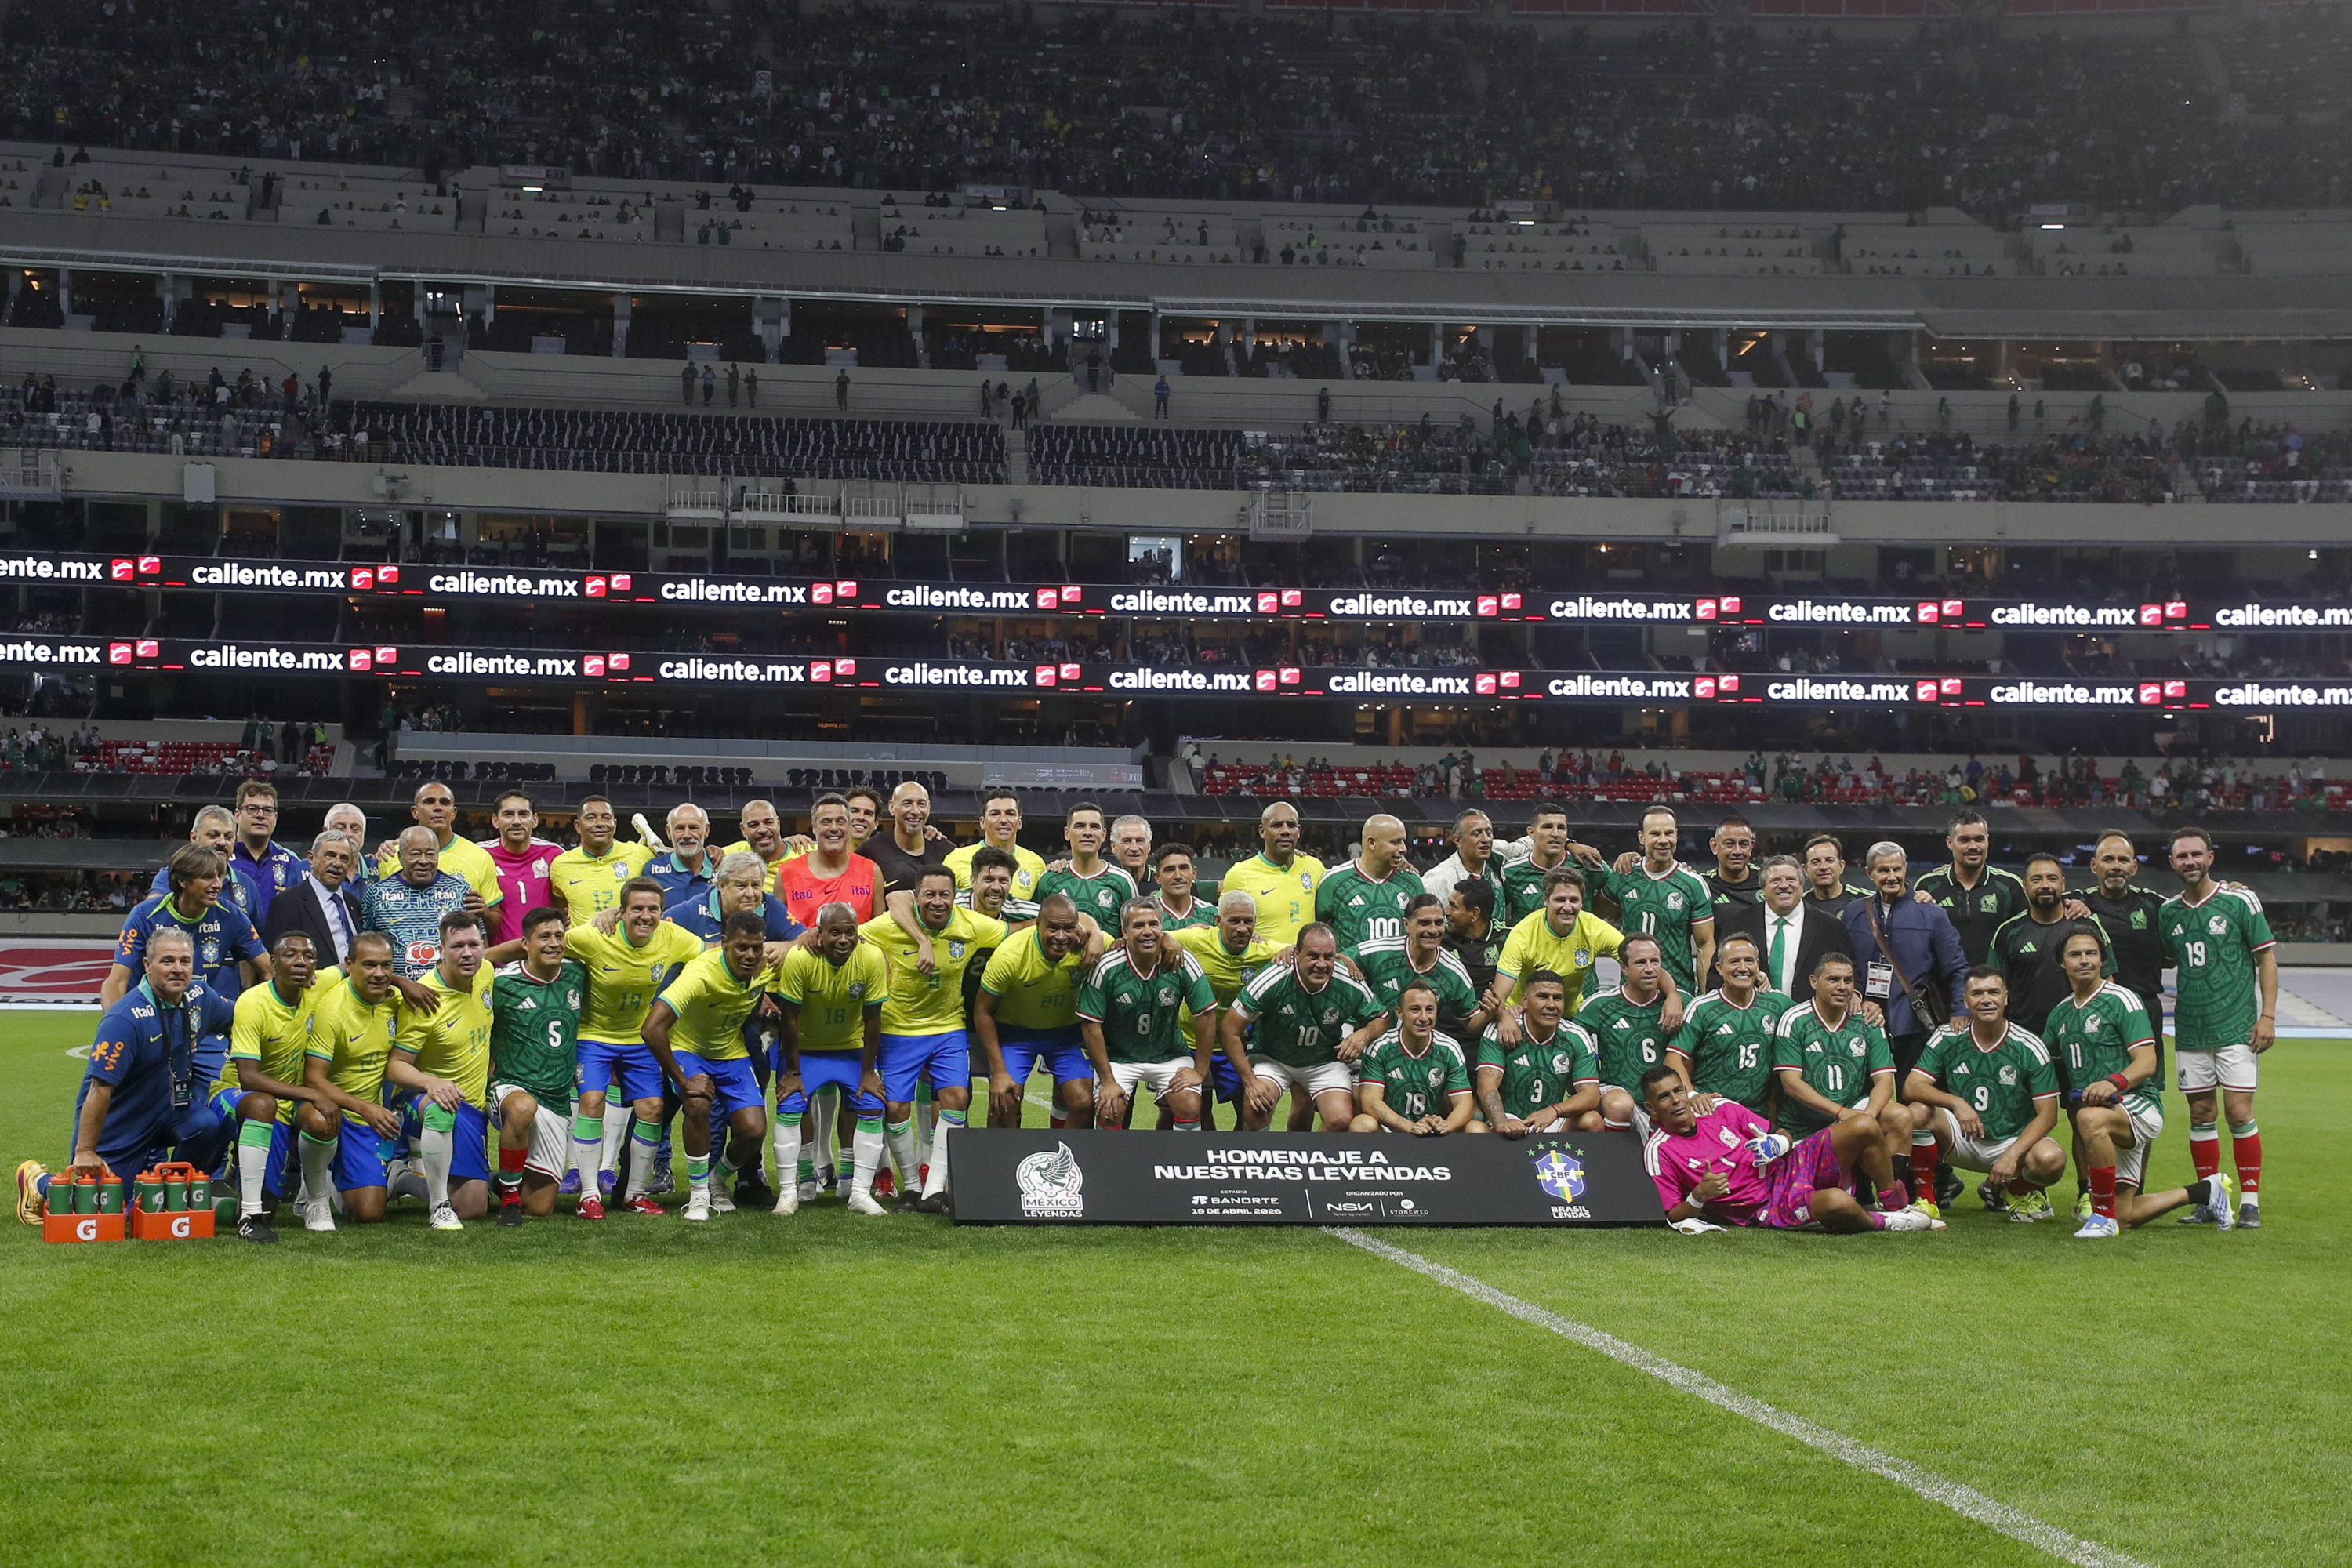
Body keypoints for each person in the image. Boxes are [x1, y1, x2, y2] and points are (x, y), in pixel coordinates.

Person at [18, 929, 239, 1230]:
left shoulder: (201, 999)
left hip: (171, 1110)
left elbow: (241, 1018)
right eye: (167, 961)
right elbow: (99, 1090)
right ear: (147, 966)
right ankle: (38, 1181)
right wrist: (85, 1151)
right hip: (122, 1120)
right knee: (99, 1211)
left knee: (207, 1126)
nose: (178, 969)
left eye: (185, 961)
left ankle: (166, 1194)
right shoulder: (125, 1018)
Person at [2043, 927, 2227, 1237]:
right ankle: (2206, 1191)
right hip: (2107, 1115)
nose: (2084, 960)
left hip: (2137, 1104)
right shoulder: (2060, 1013)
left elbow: (2147, 1061)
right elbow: (2040, 1057)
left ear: (2103, 960)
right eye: (2075, 954)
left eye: (2091, 953)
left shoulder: (2122, 1000)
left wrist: (2113, 1082)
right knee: (2127, 1214)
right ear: (2063, 963)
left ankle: (2101, 1217)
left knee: (2086, 1118)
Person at [550, 877, 703, 1215]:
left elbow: (710, 955)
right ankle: (588, 1195)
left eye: (653, 909)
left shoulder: (673, 937)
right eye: (637, 908)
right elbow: (547, 944)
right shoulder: (594, 937)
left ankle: (634, 1194)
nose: (645, 916)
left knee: (652, 1108)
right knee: (592, 1100)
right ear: (622, 912)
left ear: (664, 913)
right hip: (593, 1036)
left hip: (639, 1038)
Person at [858, 867, 1007, 1210]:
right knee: (895, 1108)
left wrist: (1089, 930)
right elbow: (848, 935)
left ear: (955, 897)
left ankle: (934, 1189)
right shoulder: (888, 925)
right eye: (929, 895)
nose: (937, 902)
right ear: (916, 897)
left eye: (944, 895)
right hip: (898, 1030)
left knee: (957, 1098)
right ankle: (911, 1185)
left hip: (947, 1029)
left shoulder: (970, 924)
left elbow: (1017, 930)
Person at [1642, 1067, 1938, 1233]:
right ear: (1651, 1108)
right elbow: (1674, 1214)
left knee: (1863, 1125)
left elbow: (1778, 1132)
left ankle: (1897, 1206)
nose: (1676, 1101)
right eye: (1664, 1097)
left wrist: (1779, 1143)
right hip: (1766, 1205)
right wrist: (1700, 1194)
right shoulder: (1659, 1149)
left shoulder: (1720, 1108)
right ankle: (1887, 1224)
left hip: (1789, 1165)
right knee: (1837, 1203)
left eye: (1678, 1091)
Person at [2159, 826, 2276, 1229]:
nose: (2189, 861)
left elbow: (2266, 960)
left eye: (2196, 854)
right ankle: (2211, 1199)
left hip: (2238, 1027)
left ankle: (2250, 1202)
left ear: (2211, 857)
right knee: (2201, 1112)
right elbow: (2165, 958)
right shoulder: (2168, 912)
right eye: (2181, 856)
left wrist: (2268, 1016)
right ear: (2171, 862)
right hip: (2191, 1030)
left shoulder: (2240, 900)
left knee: (2239, 1111)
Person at [639, 912, 775, 1222]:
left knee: (754, 1130)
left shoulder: (766, 968)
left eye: (756, 947)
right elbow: (651, 1029)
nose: (750, 955)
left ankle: (717, 1181)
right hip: (689, 1050)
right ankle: (699, 1194)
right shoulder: (700, 973)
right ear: (724, 944)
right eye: (742, 947)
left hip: (732, 1052)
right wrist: (683, 1080)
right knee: (698, 1104)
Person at [1901, 968, 2065, 1221]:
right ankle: (1926, 1200)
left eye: (1993, 992)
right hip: (1962, 1138)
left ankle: (2014, 1189)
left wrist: (2011, 1155)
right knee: (1916, 1112)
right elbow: (1911, 1087)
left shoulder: (2029, 1046)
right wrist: (1956, 1102)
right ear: (1966, 1001)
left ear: (2006, 998)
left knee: (2051, 1160)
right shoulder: (1948, 1036)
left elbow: (2048, 1115)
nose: (1986, 999)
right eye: (1977, 993)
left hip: (2011, 1142)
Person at [208, 929, 335, 1240]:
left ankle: (312, 1199)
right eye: (290, 955)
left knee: (324, 1119)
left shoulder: (320, 987)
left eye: (308, 956)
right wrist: (311, 1092)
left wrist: (403, 983)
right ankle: (248, 1216)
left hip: (285, 1101)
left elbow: (356, 964)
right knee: (264, 1103)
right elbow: (248, 1078)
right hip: (239, 1094)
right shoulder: (253, 1002)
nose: (300, 962)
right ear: (274, 963)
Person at [771, 902, 889, 1215]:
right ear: (819, 934)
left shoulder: (871, 957)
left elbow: (873, 1018)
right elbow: (790, 1019)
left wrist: (868, 1071)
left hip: (849, 1048)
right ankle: (790, 1191)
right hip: (806, 1050)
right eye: (834, 932)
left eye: (850, 932)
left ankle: (859, 1192)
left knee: (872, 1103)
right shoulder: (800, 959)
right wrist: (793, 1071)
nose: (843, 939)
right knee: (790, 1106)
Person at [387, 910, 498, 1230]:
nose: (467, 953)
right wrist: (430, 1082)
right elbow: (395, 1067)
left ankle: (486, 1178)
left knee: (475, 1204)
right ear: (440, 949)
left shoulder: (486, 973)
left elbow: (508, 949)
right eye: (457, 946)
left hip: (472, 1108)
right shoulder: (425, 999)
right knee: (472, 1207)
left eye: (474, 945)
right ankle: (409, 1182)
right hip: (428, 1102)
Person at [1771, 953, 1912, 1196]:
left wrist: (1866, 1118)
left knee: (1900, 1115)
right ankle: (1862, 1188)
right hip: (1805, 1128)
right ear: (1814, 981)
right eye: (1834, 979)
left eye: (1848, 981)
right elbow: (1791, 1085)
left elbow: (1885, 1081)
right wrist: (1842, 1114)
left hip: (1854, 1111)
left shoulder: (1867, 1020)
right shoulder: (1794, 1020)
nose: (1842, 987)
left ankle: (1882, 1194)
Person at [295, 931, 408, 1229]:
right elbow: (313, 1079)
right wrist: (365, 1108)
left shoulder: (397, 1001)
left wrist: (406, 984)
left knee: (369, 1214)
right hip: (331, 1106)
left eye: (387, 965)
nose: (379, 974)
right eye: (369, 965)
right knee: (320, 1120)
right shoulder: (332, 1009)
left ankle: (332, 1174)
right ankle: (315, 1196)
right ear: (349, 964)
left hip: (366, 1118)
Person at [1223, 923, 1384, 1133]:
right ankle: (1261, 1160)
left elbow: (1382, 1018)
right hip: (1274, 1059)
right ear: (1296, 954)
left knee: (1341, 1120)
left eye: (1329, 957)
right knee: (1256, 1110)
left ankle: (1308, 1161)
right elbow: (1229, 1029)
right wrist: (1250, 1081)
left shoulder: (1348, 979)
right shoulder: (1274, 977)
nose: (1321, 964)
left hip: (1323, 1061)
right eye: (1313, 956)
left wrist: (1364, 1034)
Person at [485, 906, 588, 1223]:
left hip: (556, 1100)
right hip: (510, 1087)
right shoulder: (500, 982)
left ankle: (496, 1182)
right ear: (524, 944)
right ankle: (510, 1201)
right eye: (544, 937)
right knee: (523, 1108)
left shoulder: (578, 972)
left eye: (559, 936)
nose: (554, 943)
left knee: (541, 1208)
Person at [1080, 898, 1220, 1133]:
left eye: (1154, 925)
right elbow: (1090, 1026)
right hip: (1119, 1057)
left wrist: (1200, 1071)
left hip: (1169, 1055)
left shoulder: (1182, 962)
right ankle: (1108, 1167)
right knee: (1109, 1109)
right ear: (1124, 931)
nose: (1147, 932)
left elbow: (1207, 1015)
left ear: (1162, 928)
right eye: (1138, 926)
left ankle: (1178, 1166)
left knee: (1190, 1106)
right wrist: (1107, 1080)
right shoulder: (1106, 967)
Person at [1841, 841, 1968, 1079]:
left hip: (1914, 1026)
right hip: (1863, 1023)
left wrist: (1960, 1010)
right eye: (1883, 870)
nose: (1892, 877)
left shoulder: (1932, 915)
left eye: (1897, 870)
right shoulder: (1854, 912)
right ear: (1869, 873)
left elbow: (1958, 968)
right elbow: (1848, 965)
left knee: (1915, 1103)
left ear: (1905, 869)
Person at [975, 893, 1093, 1134]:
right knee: (1004, 1099)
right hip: (1015, 1034)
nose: (1061, 937)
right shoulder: (1010, 955)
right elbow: (982, 1010)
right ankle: (1005, 1165)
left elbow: (1128, 945)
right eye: (1053, 928)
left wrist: (1166, 941)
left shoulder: (1087, 946)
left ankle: (1066, 1163)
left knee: (1084, 1103)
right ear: (1038, 924)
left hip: (1066, 1035)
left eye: (1069, 928)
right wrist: (998, 1072)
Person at [1167, 889, 1285, 1127]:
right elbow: (1152, 936)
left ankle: (1242, 1158)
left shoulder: (1263, 951)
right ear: (1218, 921)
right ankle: (1204, 1157)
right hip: (1191, 1040)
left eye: (1248, 922)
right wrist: (1168, 938)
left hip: (1233, 1046)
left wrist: (1290, 950)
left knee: (1252, 1106)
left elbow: (1306, 950)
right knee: (1196, 1106)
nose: (1242, 928)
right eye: (1234, 921)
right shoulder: (1196, 940)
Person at [103, 843, 269, 1009]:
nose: (218, 885)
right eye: (207, 878)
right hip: (147, 1014)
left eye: (220, 876)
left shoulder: (231, 916)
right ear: (182, 880)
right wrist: (115, 1027)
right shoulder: (145, 915)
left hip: (197, 1014)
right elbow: (116, 982)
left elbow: (270, 971)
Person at [1585, 806, 1715, 996]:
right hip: (1631, 993)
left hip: (1679, 993)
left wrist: (1705, 997)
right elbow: (1594, 917)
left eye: (1669, 833)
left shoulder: (1693, 884)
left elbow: (1705, 944)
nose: (1663, 840)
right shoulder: (1624, 876)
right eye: (1655, 833)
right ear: (1641, 838)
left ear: (1677, 835)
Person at [1485, 867, 1632, 1029]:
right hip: (1524, 1015)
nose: (1568, 907)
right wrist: (1504, 1016)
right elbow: (1499, 995)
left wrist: (1666, 997)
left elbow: (1639, 959)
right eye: (1560, 900)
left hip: (1570, 1016)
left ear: (1582, 902)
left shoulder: (1595, 929)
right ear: (1546, 900)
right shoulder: (1523, 934)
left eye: (1574, 900)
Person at [1987, 854, 2112, 1037]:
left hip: (2081, 1035)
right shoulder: (2008, 932)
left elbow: (2108, 982)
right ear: (2025, 886)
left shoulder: (2088, 927)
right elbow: (1993, 988)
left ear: (2063, 884)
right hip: (2024, 1038)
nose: (2045, 885)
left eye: (2052, 878)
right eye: (2036, 879)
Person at [1668, 932, 1788, 1118]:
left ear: (1758, 966)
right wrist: (1691, 1094)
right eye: (1734, 962)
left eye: (1749, 961)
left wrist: (1851, 994)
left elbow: (1812, 1018)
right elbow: (1673, 1059)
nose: (1742, 968)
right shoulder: (1702, 1008)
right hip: (1712, 1109)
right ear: (1720, 968)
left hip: (1758, 1112)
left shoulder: (1778, 1003)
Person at [1573, 933, 1682, 1136]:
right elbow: (1570, 1041)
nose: (1649, 969)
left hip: (1668, 1098)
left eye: (1654, 962)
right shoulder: (1599, 1005)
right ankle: (1617, 1162)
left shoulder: (1680, 1003)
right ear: (1624, 968)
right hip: (1618, 1091)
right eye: (1640, 962)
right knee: (1619, 1104)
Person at [1474, 969, 1600, 1138]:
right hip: (1509, 1117)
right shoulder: (1501, 1031)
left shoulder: (1576, 1036)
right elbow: (1487, 1087)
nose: (1551, 1005)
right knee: (1481, 1129)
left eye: (1557, 998)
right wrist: (1503, 1123)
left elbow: (1591, 1095)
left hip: (1552, 1118)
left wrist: (1555, 1110)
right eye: (1542, 997)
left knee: (1592, 1120)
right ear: (1525, 1001)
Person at [1351, 978, 1479, 1136]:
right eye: (1415, 1009)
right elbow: (1371, 1102)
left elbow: (1464, 1103)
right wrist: (1410, 1126)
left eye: (1430, 1009)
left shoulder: (1449, 1048)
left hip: (1433, 1130)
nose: (1424, 1017)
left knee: (1477, 1128)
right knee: (1362, 1124)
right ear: (1399, 1012)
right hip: (1390, 1130)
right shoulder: (1380, 1047)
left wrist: (1446, 1125)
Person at [1350, 892, 1486, 1040]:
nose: (1433, 930)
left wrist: (1491, 1013)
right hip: (1369, 1045)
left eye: (1439, 923)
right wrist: (1342, 959)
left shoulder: (1454, 971)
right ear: (1406, 925)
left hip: (1419, 1051)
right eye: (1425, 923)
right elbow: (1334, 960)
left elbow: (1471, 1021)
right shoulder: (1378, 952)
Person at [1712, 855, 1853, 998]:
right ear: (1763, 889)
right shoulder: (1738, 923)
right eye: (1775, 880)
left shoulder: (1831, 927)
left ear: (1802, 886)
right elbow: (1716, 974)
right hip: (1752, 1015)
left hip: (1811, 1016)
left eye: (1791, 879)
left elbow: (1851, 973)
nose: (1784, 885)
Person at [1910, 809, 2026, 967]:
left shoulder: (2009, 886)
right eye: (1964, 840)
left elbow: (2029, 932)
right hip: (1943, 986)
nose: (1973, 846)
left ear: (1988, 841)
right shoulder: (1928, 886)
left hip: (1991, 987)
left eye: (1979, 839)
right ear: (1950, 842)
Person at [363, 827, 474, 978]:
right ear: (401, 857)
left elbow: (478, 943)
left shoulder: (461, 891)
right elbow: (365, 947)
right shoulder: (376, 894)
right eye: (415, 854)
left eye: (430, 854)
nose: (423, 861)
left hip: (449, 990)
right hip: (396, 991)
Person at [375, 782, 502, 912]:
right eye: (429, 802)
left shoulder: (479, 857)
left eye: (445, 802)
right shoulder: (390, 855)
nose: (438, 808)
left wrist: (484, 914)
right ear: (415, 812)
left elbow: (495, 917)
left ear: (454, 813)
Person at [1217, 801, 1327, 947]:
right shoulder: (1240, 874)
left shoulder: (1314, 867)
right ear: (1262, 831)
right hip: (1263, 966)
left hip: (1306, 965)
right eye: (1277, 825)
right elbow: (1222, 926)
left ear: (1298, 831)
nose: (1285, 831)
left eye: (1291, 825)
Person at [1316, 813, 1425, 953]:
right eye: (1395, 842)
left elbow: (1430, 926)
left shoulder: (1412, 881)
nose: (1404, 849)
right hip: (1350, 973)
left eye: (1403, 841)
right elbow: (1315, 931)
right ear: (1372, 843)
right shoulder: (1334, 881)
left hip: (1401, 972)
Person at [547, 794, 658, 926]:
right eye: (591, 818)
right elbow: (560, 909)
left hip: (625, 945)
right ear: (578, 826)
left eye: (606, 818)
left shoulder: (640, 854)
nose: (600, 823)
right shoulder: (560, 865)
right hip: (580, 945)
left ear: (615, 825)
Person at [775, 791, 880, 928]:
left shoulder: (872, 872)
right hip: (803, 950)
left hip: (858, 950)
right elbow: (776, 933)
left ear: (849, 827)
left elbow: (880, 933)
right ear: (814, 828)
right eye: (826, 822)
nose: (834, 828)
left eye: (841, 821)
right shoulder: (787, 874)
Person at [147, 804, 263, 924]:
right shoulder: (170, 876)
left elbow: (257, 934)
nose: (222, 842)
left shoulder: (246, 883)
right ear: (194, 837)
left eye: (229, 837)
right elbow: (151, 916)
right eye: (213, 835)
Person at [264, 829, 365, 967]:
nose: (337, 863)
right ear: (311, 858)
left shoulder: (352, 903)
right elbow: (275, 960)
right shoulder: (286, 903)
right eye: (330, 855)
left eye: (344, 858)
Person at [943, 789, 1046, 919]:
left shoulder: (1036, 862)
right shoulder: (956, 859)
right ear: (983, 822)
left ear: (1019, 822)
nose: (1003, 820)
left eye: (1010, 813)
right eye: (995, 814)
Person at [1033, 801, 1138, 929]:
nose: (1088, 832)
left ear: (1103, 835)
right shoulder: (1048, 879)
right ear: (1067, 833)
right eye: (1080, 826)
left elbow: (1134, 931)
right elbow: (1036, 929)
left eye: (1094, 827)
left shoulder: (1123, 881)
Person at [482, 790, 563, 945]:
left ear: (535, 820)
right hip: (498, 962)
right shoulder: (481, 855)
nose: (516, 821)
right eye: (508, 814)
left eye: (523, 814)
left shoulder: (555, 854)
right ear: (495, 820)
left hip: (544, 956)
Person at [227, 779, 305, 928]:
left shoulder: (290, 861)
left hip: (277, 946)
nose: (260, 815)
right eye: (252, 809)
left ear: (275, 818)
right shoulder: (222, 857)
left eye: (268, 810)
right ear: (237, 815)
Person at [1497, 801, 1577, 926]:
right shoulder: (1510, 872)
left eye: (1561, 827)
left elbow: (1611, 896)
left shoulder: (1588, 866)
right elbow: (1496, 915)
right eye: (1547, 827)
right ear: (1531, 832)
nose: (1555, 833)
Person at [1421, 808, 1506, 914]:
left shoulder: (1499, 860)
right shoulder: (1438, 880)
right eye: (1476, 834)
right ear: (1458, 840)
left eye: (1489, 833)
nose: (1485, 839)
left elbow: (1525, 845)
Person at [644, 803, 721, 906]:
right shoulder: (653, 871)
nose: (687, 835)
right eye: (680, 828)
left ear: (706, 830)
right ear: (669, 832)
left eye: (694, 828)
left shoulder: (724, 868)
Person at [1443, 878, 1506, 1004]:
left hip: (1488, 1016)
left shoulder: (1506, 939)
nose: (1446, 911)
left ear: (1475, 913)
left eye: (1454, 907)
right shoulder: (1440, 936)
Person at [1149, 842, 1216, 931]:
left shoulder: (1212, 914)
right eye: (1170, 870)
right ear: (1157, 877)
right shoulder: (1146, 915)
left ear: (1194, 873)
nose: (1178, 876)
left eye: (1184, 868)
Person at [1702, 815, 1762, 911]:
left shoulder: (1767, 880)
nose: (1737, 851)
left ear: (1751, 847)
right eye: (1729, 844)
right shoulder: (1703, 885)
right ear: (1714, 846)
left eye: (1744, 844)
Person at [1802, 833, 1867, 916]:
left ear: (1841, 866)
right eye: (1816, 862)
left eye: (1830, 860)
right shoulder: (1798, 905)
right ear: (1805, 870)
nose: (1823, 867)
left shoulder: (1867, 901)